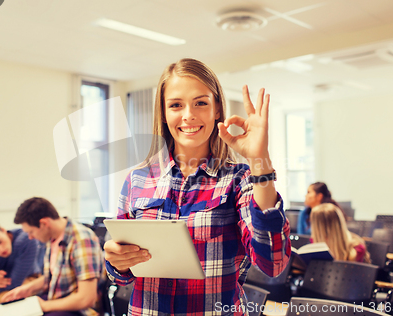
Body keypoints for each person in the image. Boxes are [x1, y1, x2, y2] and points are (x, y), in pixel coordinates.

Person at [104, 58, 291, 315]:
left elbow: (273, 263)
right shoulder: (137, 179)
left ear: (216, 109)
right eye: (176, 105)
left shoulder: (239, 179)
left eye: (200, 103)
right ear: (164, 112)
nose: (188, 114)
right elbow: (121, 277)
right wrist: (117, 262)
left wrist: (260, 160)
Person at [1, 197, 103, 316]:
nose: (30, 237)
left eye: (31, 232)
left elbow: (86, 299)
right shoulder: (52, 237)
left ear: (44, 223)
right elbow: (56, 276)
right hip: (56, 298)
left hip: (79, 310)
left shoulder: (82, 240)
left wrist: (44, 306)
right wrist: (28, 289)